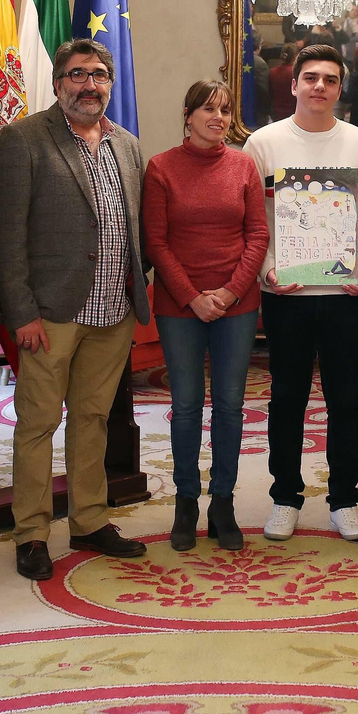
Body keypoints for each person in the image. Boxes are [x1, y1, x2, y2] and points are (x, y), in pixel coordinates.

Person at [0, 38, 152, 579]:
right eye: (78, 74)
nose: (90, 84)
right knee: (37, 423)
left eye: (100, 74)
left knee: (93, 418)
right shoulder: (23, 139)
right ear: (59, 82)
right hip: (51, 313)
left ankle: (88, 520)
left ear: (110, 83)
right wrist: (21, 312)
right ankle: (32, 533)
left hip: (113, 311)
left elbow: (136, 227)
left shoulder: (127, 145)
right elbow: (7, 235)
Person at [243, 43, 358, 542]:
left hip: (345, 296)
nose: (319, 87)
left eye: (330, 80)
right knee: (286, 400)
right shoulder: (262, 145)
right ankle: (285, 497)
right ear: (293, 84)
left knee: (345, 402)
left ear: (340, 87)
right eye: (310, 78)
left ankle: (344, 500)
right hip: (285, 294)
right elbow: (250, 223)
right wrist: (266, 272)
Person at [143, 80, 268, 551]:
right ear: (187, 114)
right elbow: (155, 241)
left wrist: (231, 293)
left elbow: (258, 235)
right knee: (187, 408)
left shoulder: (243, 166)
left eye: (225, 109)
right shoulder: (161, 168)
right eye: (209, 109)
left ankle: (223, 502)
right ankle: (186, 502)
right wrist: (193, 297)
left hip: (237, 305)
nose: (218, 117)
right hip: (180, 306)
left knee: (231, 407)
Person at [270, 43, 299, 124]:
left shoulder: (272, 72)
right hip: (294, 113)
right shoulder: (297, 73)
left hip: (277, 114)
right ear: (295, 56)